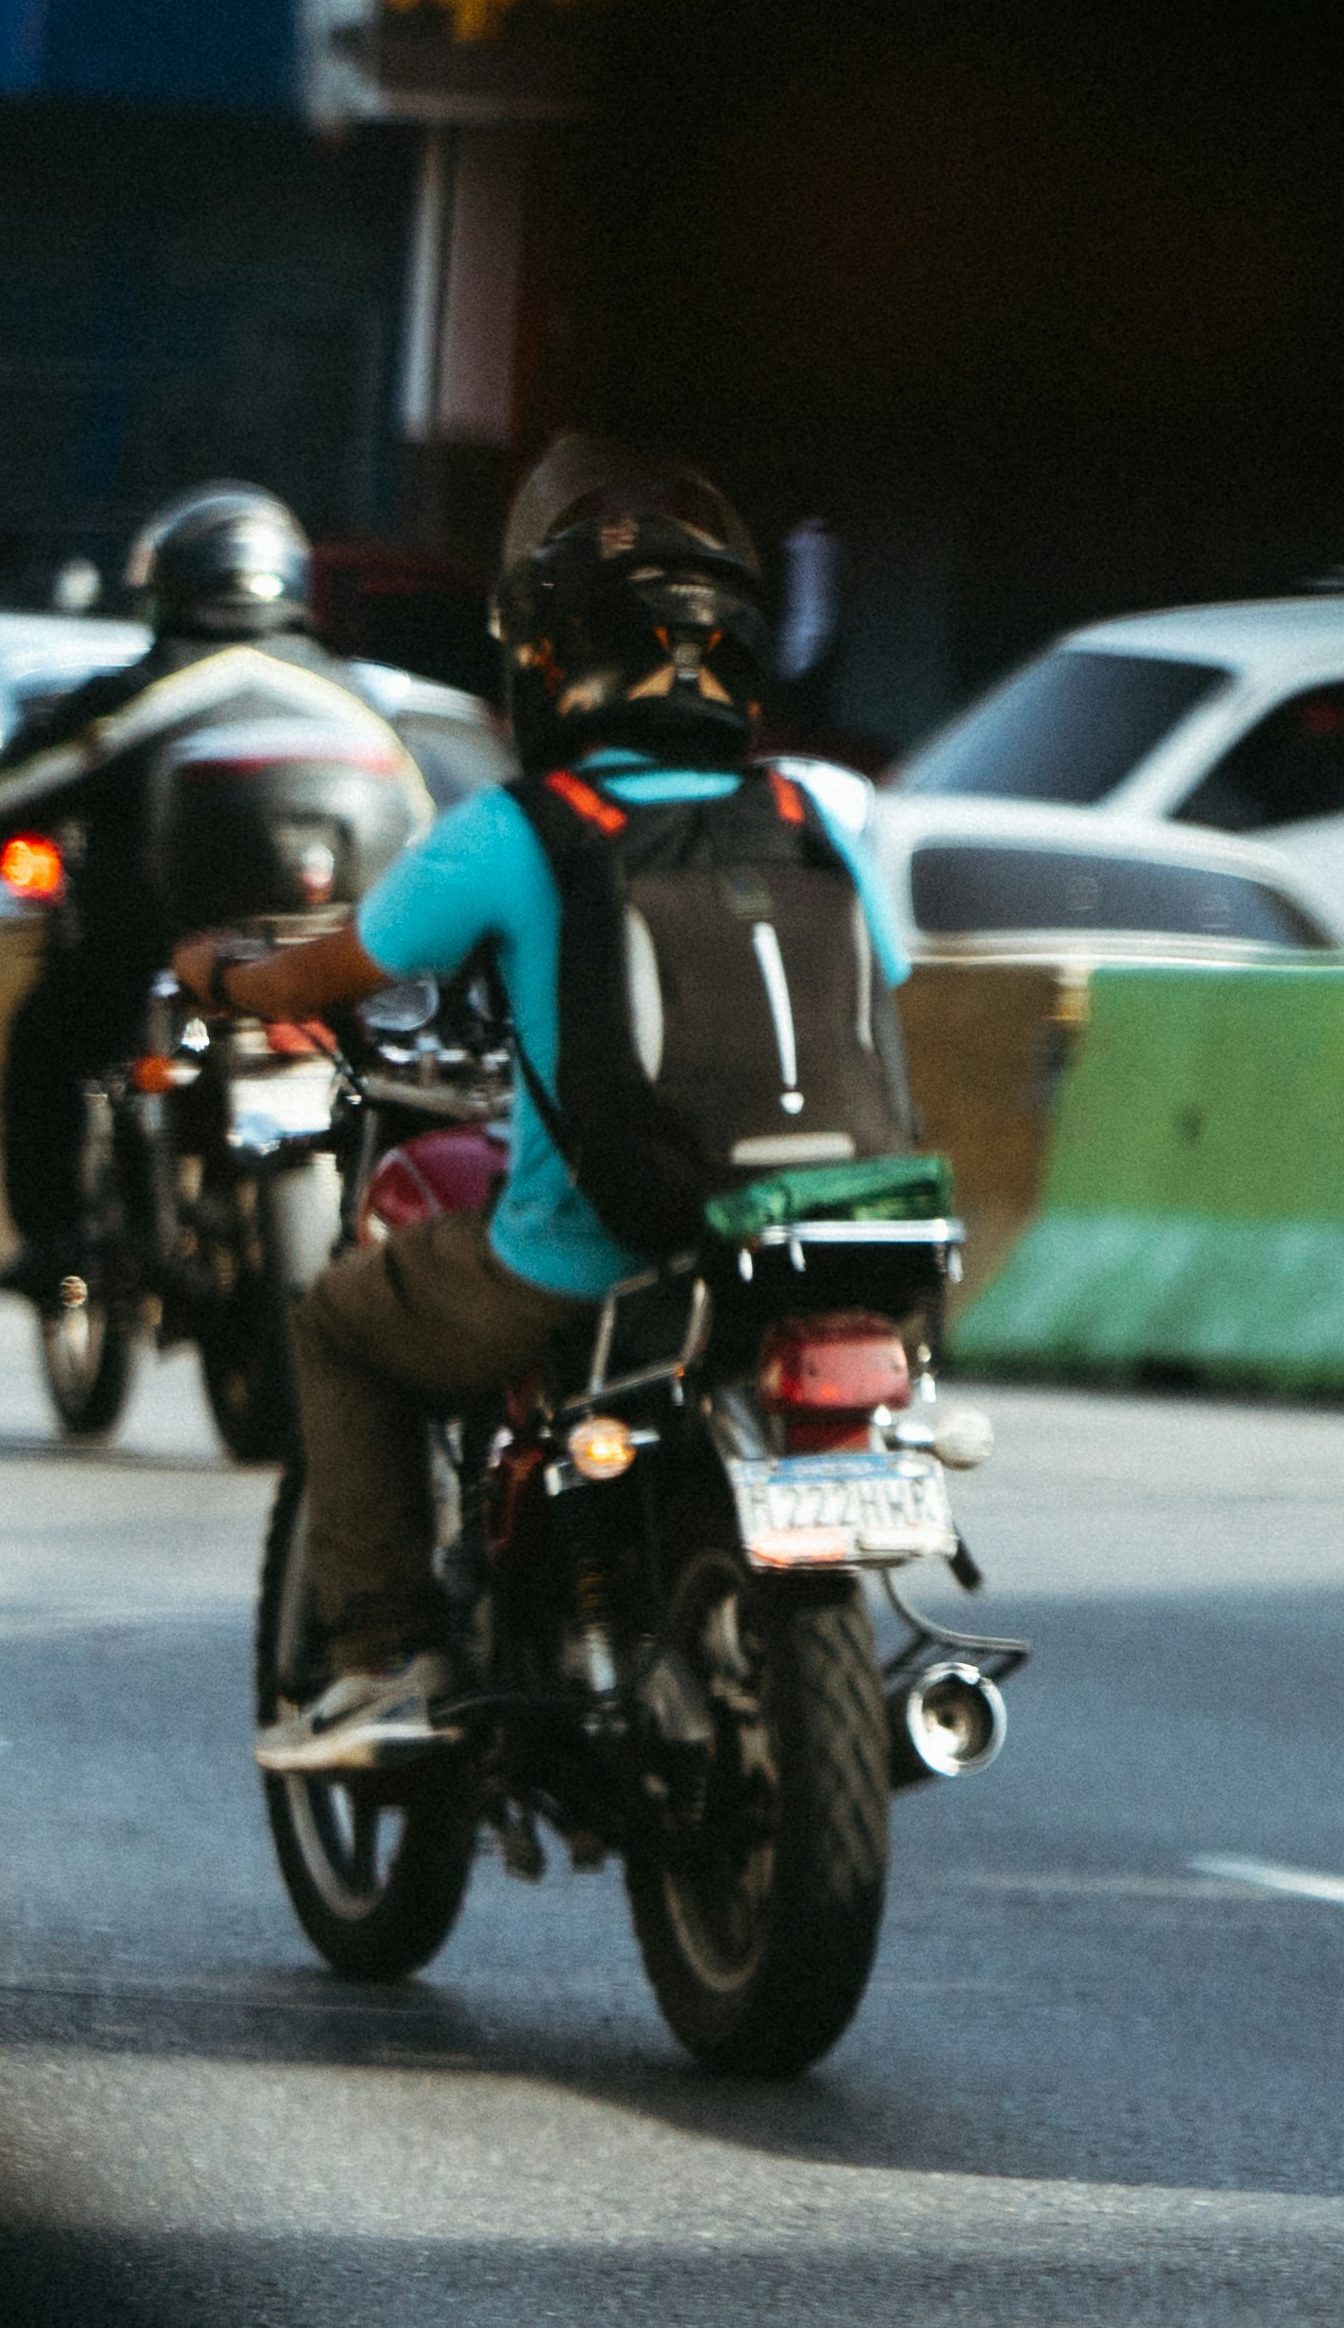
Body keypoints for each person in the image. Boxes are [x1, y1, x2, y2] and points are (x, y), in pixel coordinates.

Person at [177, 442, 906, 1772]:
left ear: (549, 663)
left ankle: (383, 1663)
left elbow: (330, 973)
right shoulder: (813, 814)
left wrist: (215, 969)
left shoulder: (522, 829)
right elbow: (885, 981)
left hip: (587, 1250)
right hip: (827, 1241)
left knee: (340, 1329)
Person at [0, 484, 414, 1302]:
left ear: (173, 585)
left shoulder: (148, 688)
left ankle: (53, 1244)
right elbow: (426, 826)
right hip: (336, 963)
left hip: (163, 956)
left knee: (47, 1037)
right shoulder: (356, 699)